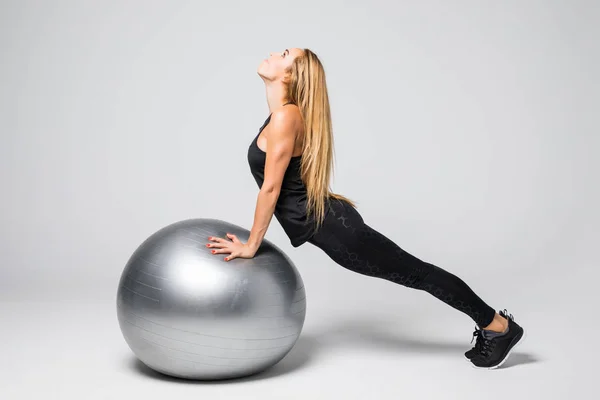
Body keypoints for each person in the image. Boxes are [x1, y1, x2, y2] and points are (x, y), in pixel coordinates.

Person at [205, 48, 525, 369]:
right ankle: (495, 326)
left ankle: (498, 327)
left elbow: (271, 188)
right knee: (417, 273)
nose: (273, 53)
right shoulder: (283, 115)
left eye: (284, 54)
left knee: (418, 274)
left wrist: (251, 246)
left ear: (290, 76)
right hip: (331, 224)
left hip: (336, 231)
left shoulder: (286, 117)